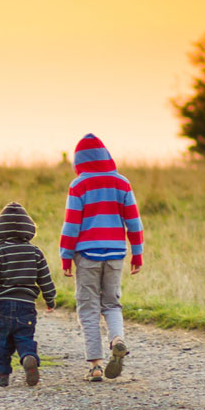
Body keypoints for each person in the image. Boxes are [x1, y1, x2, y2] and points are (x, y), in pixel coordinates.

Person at [58, 133, 144, 382]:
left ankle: (95, 366)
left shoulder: (78, 185)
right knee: (112, 303)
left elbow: (71, 224)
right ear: (107, 157)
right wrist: (137, 252)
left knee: (88, 307)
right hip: (116, 253)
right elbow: (133, 221)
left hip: (86, 255)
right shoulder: (122, 183)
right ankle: (117, 340)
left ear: (79, 162)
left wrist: (65, 256)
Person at [0, 201, 56, 387]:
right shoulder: (35, 252)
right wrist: (50, 298)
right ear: (28, 228)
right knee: (24, 337)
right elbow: (45, 278)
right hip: (26, 305)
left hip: (3, 305)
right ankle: (29, 357)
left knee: (3, 341)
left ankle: (2, 374)